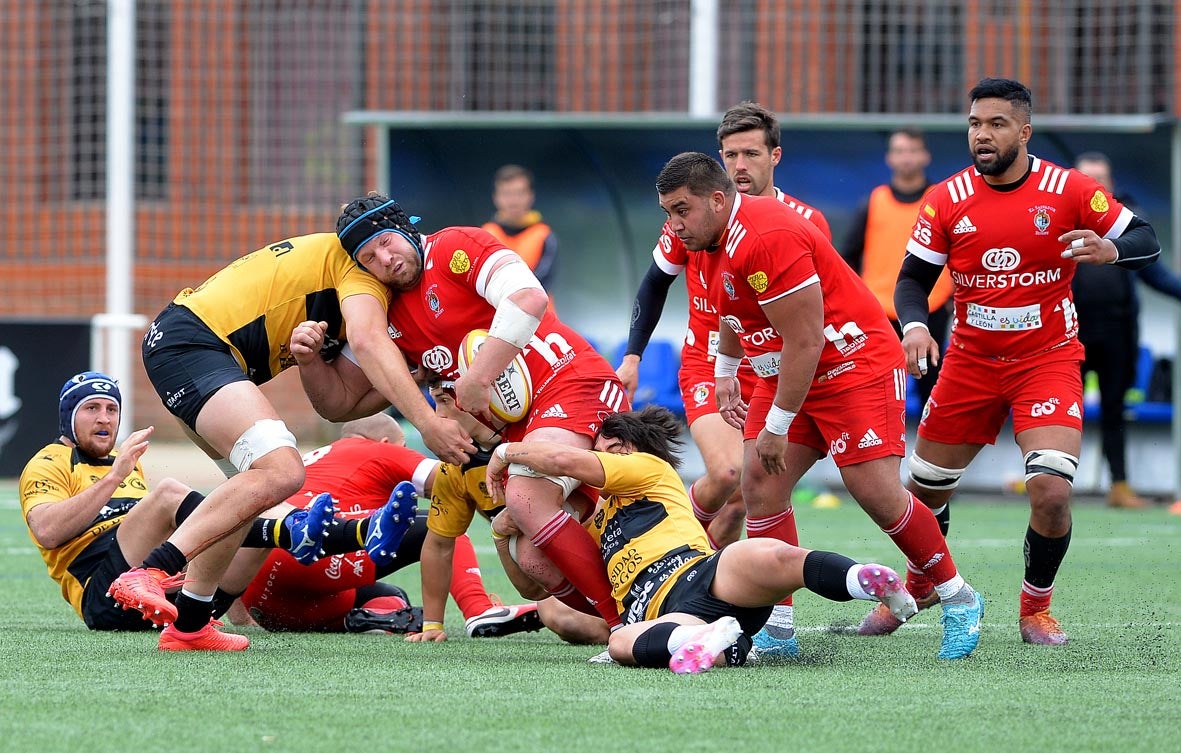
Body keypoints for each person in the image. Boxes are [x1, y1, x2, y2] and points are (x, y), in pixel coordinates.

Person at [656, 151, 985, 660]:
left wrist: (778, 425)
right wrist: (724, 373)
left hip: (852, 365)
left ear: (718, 200)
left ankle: (959, 597)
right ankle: (779, 627)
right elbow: (728, 308)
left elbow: (807, 340)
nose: (674, 225)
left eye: (681, 210)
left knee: (874, 491)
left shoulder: (767, 235)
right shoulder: (707, 236)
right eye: (667, 213)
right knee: (761, 485)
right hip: (786, 369)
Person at [109, 221, 477, 650]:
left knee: (246, 499)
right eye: (375, 250)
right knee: (282, 471)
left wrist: (322, 363)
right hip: (197, 344)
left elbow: (336, 407)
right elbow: (371, 342)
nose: (383, 260)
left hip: (187, 344)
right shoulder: (362, 276)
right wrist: (429, 423)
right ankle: (152, 569)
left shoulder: (355, 281)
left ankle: (189, 624)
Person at [885, 78, 1160, 646]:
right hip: (969, 361)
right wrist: (914, 325)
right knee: (922, 492)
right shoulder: (946, 197)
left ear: (1024, 131)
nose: (982, 135)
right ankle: (923, 584)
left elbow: (1145, 237)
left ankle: (1034, 609)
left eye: (996, 124)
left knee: (1052, 491)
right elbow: (912, 279)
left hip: (1047, 359)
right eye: (974, 124)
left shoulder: (1070, 189)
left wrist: (1111, 249)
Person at [294, 195, 630, 634]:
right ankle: (627, 613)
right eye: (369, 258)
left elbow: (529, 298)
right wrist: (309, 360)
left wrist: (477, 378)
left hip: (571, 380)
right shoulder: (388, 318)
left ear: (405, 227)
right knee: (531, 562)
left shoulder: (457, 246)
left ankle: (625, 621)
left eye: (387, 243)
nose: (385, 259)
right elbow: (339, 405)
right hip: (521, 433)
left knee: (529, 501)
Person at [618, 102, 831, 656]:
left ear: (774, 156)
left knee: (743, 497)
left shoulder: (802, 221)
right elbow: (652, 287)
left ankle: (692, 593)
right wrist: (634, 355)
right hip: (709, 364)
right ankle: (669, 561)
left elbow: (817, 313)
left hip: (772, 369)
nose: (739, 164)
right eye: (729, 154)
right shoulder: (692, 217)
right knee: (734, 473)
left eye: (750, 153)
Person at [483, 406, 919, 673]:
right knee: (619, 642)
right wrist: (504, 539)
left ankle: (865, 580)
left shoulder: (647, 470)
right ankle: (715, 641)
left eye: (603, 447)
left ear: (626, 451)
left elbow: (560, 457)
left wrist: (506, 452)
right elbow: (532, 585)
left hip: (699, 572)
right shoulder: (594, 520)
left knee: (762, 554)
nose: (593, 458)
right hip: (666, 610)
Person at [16, 371, 338, 644]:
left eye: (112, 409)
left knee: (247, 504)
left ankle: (197, 614)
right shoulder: (48, 462)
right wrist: (115, 477)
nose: (104, 418)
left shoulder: (124, 463)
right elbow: (47, 531)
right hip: (105, 597)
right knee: (170, 493)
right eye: (91, 408)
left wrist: (242, 617)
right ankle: (290, 531)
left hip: (162, 593)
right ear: (68, 416)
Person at [218, 413, 541, 639]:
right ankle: (479, 609)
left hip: (265, 597)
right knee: (443, 522)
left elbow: (242, 523)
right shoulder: (380, 451)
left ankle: (375, 618)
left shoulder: (310, 458)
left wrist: (242, 615)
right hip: (311, 557)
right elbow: (456, 483)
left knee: (392, 596)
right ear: (387, 441)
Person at [1072, 151, 1181, 509]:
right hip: (1068, 333)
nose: (1094, 185)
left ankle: (1119, 486)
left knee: (1115, 409)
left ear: (1111, 184)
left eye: (1100, 178)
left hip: (1118, 332)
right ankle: (1053, 487)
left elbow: (1154, 272)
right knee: (1061, 410)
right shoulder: (1056, 220)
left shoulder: (1127, 224)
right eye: (1087, 178)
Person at [841, 127, 952, 409]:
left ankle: (932, 447)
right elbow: (848, 256)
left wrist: (952, 297)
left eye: (913, 150)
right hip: (880, 308)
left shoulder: (940, 199)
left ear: (925, 156)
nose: (906, 158)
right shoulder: (874, 201)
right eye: (900, 151)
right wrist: (857, 301)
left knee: (933, 387)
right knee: (879, 389)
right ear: (889, 157)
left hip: (931, 305)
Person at [482, 164, 558, 289]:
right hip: (494, 307)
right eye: (506, 194)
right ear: (495, 197)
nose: (513, 201)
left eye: (519, 193)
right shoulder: (484, 234)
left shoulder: (545, 236)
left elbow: (542, 280)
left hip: (536, 307)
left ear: (531, 195)